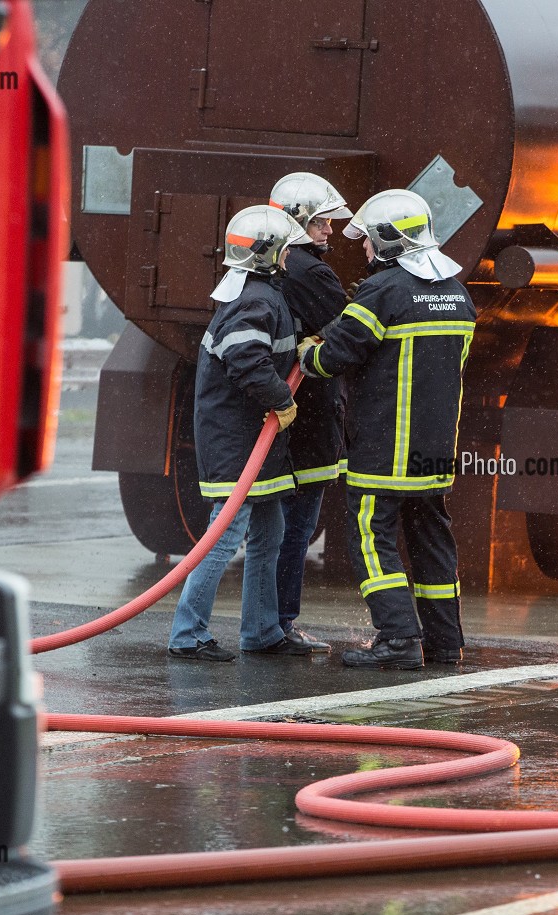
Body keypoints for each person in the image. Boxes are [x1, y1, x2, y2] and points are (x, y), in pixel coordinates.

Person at [297, 189, 475, 670]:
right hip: (435, 452)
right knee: (432, 540)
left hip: (385, 447)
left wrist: (303, 352)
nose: (365, 251)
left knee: (372, 538)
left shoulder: (384, 291)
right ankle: (443, 642)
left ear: (390, 240)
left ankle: (398, 639)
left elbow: (334, 355)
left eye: (369, 242)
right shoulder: (457, 293)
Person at [167, 205, 311, 661]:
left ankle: (262, 631)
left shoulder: (257, 293)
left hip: (252, 442)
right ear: (269, 254)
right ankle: (187, 634)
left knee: (271, 530)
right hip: (238, 443)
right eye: (286, 250)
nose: (291, 257)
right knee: (224, 537)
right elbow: (248, 361)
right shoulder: (255, 299)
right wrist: (282, 398)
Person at [267, 172, 355, 654]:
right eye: (323, 222)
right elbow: (347, 334)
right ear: (300, 222)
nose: (331, 231)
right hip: (312, 415)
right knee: (295, 529)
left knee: (273, 529)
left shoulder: (273, 265)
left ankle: (266, 623)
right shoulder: (312, 272)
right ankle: (281, 623)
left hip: (283, 419)